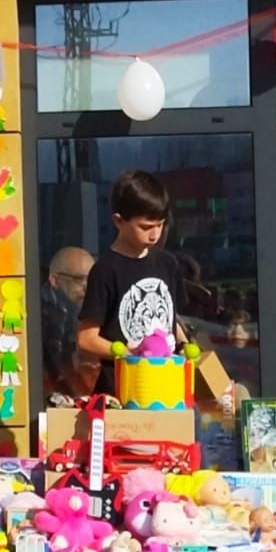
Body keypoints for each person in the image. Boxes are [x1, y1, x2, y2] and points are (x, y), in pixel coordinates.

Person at [76, 170, 188, 397]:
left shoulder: (168, 263)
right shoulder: (106, 270)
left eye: (160, 225)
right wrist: (128, 352)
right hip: (121, 393)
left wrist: (184, 346)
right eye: (145, 227)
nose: (155, 234)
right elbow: (86, 339)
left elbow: (169, 320)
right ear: (118, 221)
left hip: (167, 390)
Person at [40, 245, 94, 397]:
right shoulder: (47, 316)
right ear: (54, 280)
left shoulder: (88, 312)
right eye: (78, 279)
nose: (87, 287)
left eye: (91, 279)